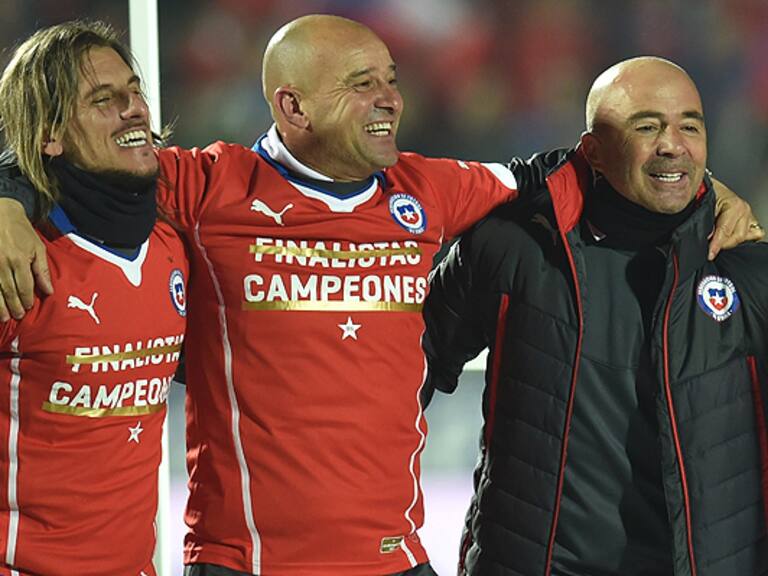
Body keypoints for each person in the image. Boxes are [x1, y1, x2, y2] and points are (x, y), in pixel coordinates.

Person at [0, 16, 760, 576]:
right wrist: (4, 194)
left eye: (391, 79)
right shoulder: (207, 186)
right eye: (361, 85)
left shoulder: (430, 191)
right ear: (292, 107)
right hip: (249, 565)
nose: (389, 98)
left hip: (399, 563)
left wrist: (705, 192)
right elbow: (86, 165)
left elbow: (593, 165)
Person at [423, 56, 768, 576]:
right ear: (594, 152)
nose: (672, 143)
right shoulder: (512, 249)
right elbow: (404, 374)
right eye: (647, 126)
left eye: (689, 126)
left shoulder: (745, 265)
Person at [0, 22, 187, 575]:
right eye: (104, 100)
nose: (133, 109)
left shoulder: (171, 244)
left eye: (134, 92)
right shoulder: (20, 258)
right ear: (49, 135)